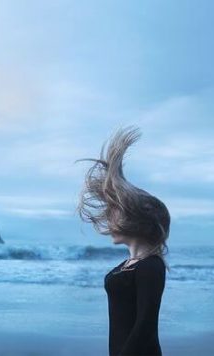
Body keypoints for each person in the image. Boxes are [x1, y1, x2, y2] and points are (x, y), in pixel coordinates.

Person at [75, 126, 170, 356]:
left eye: (116, 211)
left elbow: (145, 327)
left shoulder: (151, 266)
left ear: (135, 220)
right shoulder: (127, 265)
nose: (109, 218)